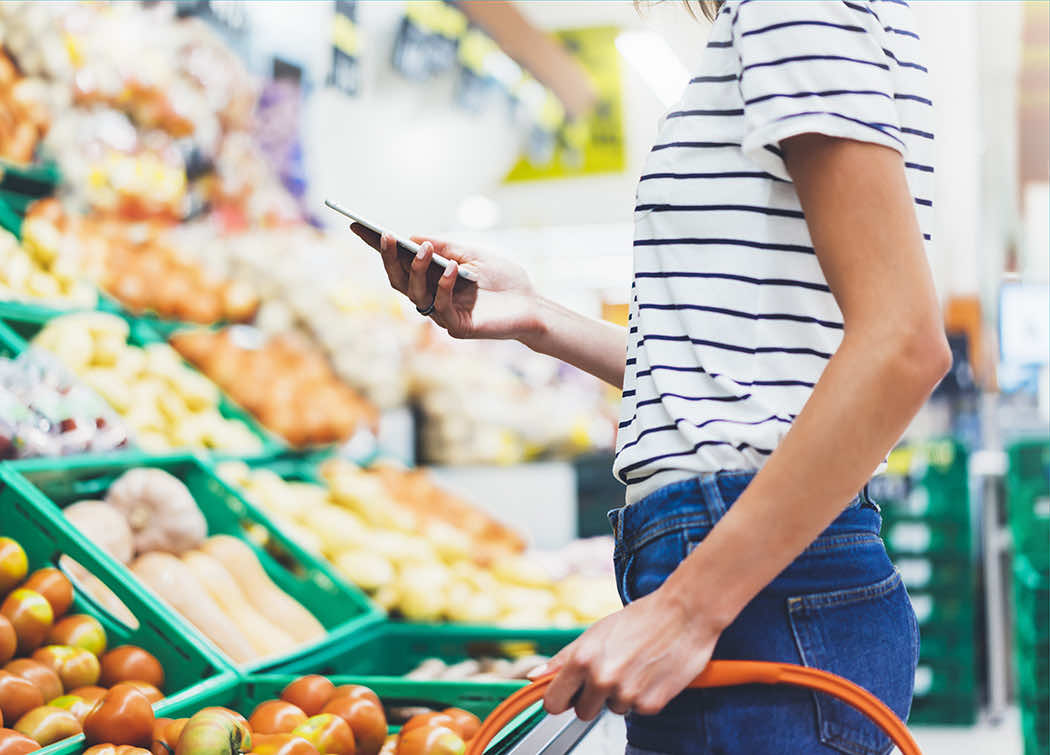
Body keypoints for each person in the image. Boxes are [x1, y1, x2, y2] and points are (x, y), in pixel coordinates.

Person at [352, 1, 946, 752]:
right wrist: (537, 317)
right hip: (759, 574)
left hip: (757, 581)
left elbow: (904, 342)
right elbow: (737, 369)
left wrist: (688, 608)